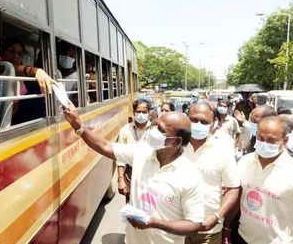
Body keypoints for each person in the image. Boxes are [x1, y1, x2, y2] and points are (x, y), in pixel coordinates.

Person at [63, 103, 205, 244]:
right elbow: (105, 146)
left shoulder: (189, 176)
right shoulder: (142, 151)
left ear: (176, 141)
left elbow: (194, 224)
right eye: (155, 124)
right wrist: (79, 126)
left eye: (160, 129)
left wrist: (154, 223)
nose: (153, 130)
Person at [233, 116, 293, 244]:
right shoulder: (244, 162)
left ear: (284, 141)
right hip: (243, 238)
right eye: (261, 138)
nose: (264, 143)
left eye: (271, 140)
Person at [184, 103, 240, 244]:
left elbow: (233, 188)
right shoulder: (175, 146)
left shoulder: (222, 150)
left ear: (213, 124)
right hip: (174, 225)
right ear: (186, 119)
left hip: (207, 230)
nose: (198, 124)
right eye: (194, 120)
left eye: (204, 122)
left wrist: (217, 216)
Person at [0, 38, 56, 124]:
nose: (16, 56)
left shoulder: (29, 80)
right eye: (11, 51)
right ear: (2, 53)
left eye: (20, 54)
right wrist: (36, 71)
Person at [117, 99, 151, 202]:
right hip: (131, 173)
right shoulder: (125, 131)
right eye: (138, 111)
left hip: (150, 172)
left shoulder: (155, 130)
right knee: (131, 205)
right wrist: (121, 180)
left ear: (148, 113)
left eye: (144, 112)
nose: (141, 114)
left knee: (149, 206)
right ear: (133, 112)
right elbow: (120, 158)